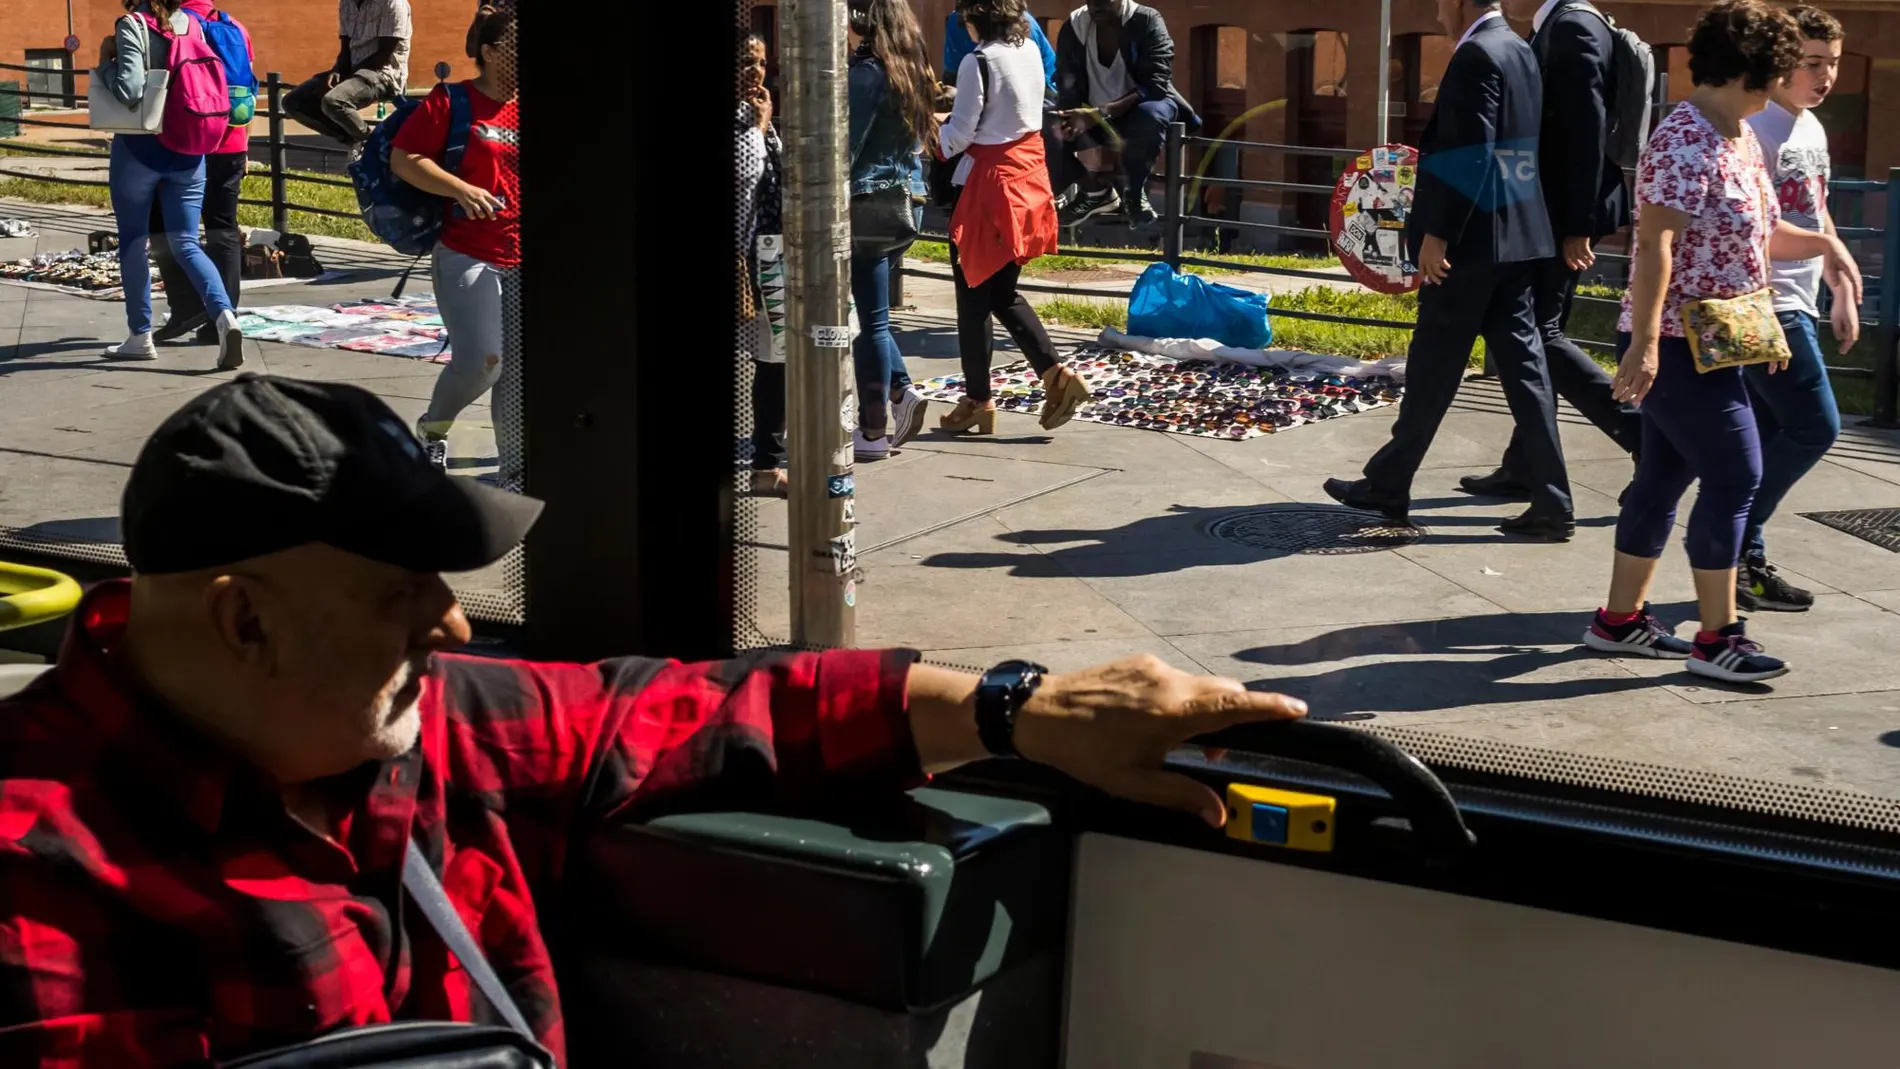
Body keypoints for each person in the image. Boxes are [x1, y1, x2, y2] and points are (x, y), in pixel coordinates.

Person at [0, 373, 1308, 1065]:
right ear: (243, 621)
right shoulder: (36, 872)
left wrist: (1024, 714)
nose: (449, 629)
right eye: (403, 593)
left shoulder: (431, 723)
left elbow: (711, 707)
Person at [1582, 0, 1859, 684]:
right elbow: (1655, 244)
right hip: (1678, 344)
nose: (1785, 83)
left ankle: (1619, 622)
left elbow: (1759, 239)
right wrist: (1645, 345)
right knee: (1737, 473)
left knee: (1663, 477)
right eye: (1781, 69)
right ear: (1751, 69)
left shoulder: (1734, 133)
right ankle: (1717, 637)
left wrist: (1823, 248)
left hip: (1718, 340)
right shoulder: (1685, 139)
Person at [1324, 0, 1572, 542]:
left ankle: (1388, 483)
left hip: (1472, 244)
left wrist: (1438, 234)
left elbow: (1473, 153)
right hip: (1517, 236)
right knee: (1526, 373)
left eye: (1441, 3)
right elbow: (1520, 148)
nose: (1437, 13)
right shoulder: (1520, 49)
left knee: (1434, 363)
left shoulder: (1477, 55)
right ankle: (1552, 498)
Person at [1461, 0, 1645, 503]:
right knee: (1535, 336)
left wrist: (1577, 226)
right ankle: (1526, 465)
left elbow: (1586, 131)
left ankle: (1644, 435)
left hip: (1564, 217)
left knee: (1539, 336)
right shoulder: (1567, 25)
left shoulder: (1573, 28)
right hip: (1558, 212)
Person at [1737, 4, 1854, 612]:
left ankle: (1740, 554)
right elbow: (1758, 226)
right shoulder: (1757, 128)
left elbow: (1813, 209)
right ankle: (1733, 545)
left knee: (1763, 434)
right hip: (1764, 303)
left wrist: (1836, 276)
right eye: (1812, 63)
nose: (1825, 75)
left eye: (1833, 63)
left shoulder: (1810, 127)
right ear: (1782, 61)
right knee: (1814, 426)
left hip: (1799, 300)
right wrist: (1827, 249)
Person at [936, 0, 1092, 437]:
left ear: (974, 18)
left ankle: (978, 401)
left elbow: (961, 134)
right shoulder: (1026, 52)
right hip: (1027, 179)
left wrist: (932, 131)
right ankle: (1055, 374)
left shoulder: (978, 61)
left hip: (989, 187)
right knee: (1001, 292)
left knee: (972, 297)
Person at [391, 7, 519, 479]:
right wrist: (460, 189)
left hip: (526, 254)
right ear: (489, 53)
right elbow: (405, 160)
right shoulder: (453, 101)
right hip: (469, 251)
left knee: (520, 374)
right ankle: (433, 430)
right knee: (483, 361)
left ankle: (516, 472)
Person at [97, 0, 245, 371]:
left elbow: (129, 90)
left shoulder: (133, 23)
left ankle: (140, 335)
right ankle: (226, 317)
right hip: (189, 150)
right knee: (186, 242)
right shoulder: (190, 25)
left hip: (141, 148)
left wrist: (106, 61)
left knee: (133, 240)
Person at [848, 0, 935, 463]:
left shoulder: (868, 72)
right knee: (870, 314)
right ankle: (900, 392)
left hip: (866, 205)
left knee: (870, 323)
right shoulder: (911, 69)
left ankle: (874, 428)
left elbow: (846, 144)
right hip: (904, 204)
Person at [149, 0, 254, 348]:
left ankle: (185, 308)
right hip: (233, 141)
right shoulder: (235, 27)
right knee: (222, 226)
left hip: (190, 140)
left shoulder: (176, 23)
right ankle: (224, 318)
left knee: (164, 223)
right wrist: (245, 145)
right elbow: (248, 90)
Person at [1052, 0, 1200, 226]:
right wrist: (1068, 119)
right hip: (1093, 114)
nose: (1096, 6)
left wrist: (1101, 112)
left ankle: (1133, 193)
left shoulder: (1147, 20)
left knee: (1151, 114)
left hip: (1140, 107)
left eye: (1104, 1)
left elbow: (1155, 84)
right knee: (1048, 126)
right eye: (1091, 0)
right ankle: (1094, 192)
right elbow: (1067, 82)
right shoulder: (1074, 26)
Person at [739, 33, 789, 496]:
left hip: (768, 255)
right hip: (741, 257)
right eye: (746, 63)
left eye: (760, 62)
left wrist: (765, 125)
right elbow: (746, 174)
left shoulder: (756, 112)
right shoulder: (745, 119)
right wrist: (759, 128)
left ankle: (766, 464)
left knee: (775, 361)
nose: (756, 71)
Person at [283, 0, 413, 146]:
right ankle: (355, 143)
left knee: (334, 101)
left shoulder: (393, 4)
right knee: (293, 102)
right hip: (352, 71)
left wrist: (344, 77)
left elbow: (383, 56)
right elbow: (346, 49)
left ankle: (371, 144)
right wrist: (337, 70)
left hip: (383, 74)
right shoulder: (347, 3)